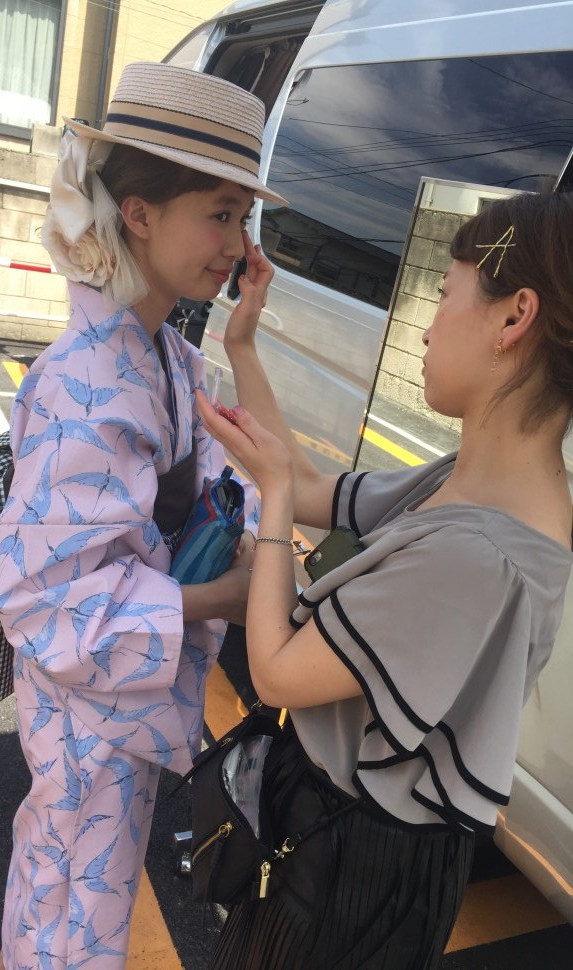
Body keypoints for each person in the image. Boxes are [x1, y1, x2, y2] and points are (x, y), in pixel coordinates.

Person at [196, 187, 573, 969]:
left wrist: (270, 508)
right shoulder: (471, 482)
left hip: (348, 871)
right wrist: (242, 346)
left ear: (513, 318)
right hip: (344, 839)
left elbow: (276, 670)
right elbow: (310, 487)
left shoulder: (478, 554)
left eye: (444, 295)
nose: (426, 327)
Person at [0, 61, 287, 970]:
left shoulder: (162, 353)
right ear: (140, 213)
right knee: (67, 925)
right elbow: (46, 602)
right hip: (89, 715)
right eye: (219, 214)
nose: (236, 245)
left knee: (64, 900)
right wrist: (222, 596)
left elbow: (253, 469)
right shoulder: (87, 378)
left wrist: (240, 338)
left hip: (113, 701)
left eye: (243, 218)